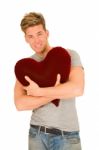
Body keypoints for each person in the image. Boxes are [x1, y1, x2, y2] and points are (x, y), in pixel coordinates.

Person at [14, 12, 84, 150]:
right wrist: (58, 91)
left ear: (47, 33)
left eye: (39, 34)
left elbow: (77, 89)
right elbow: (20, 104)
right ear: (25, 39)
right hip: (37, 134)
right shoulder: (25, 66)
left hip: (67, 136)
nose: (36, 40)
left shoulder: (68, 55)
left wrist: (38, 92)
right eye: (30, 36)